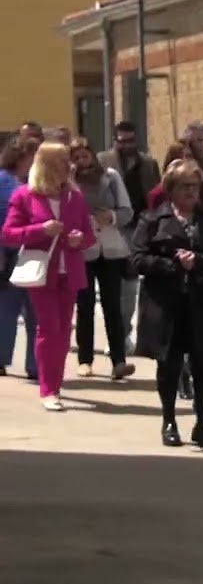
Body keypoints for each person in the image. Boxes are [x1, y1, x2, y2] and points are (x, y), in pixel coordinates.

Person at [131, 159, 203, 449]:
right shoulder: (153, 220)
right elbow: (137, 258)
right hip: (166, 304)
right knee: (169, 365)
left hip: (202, 303)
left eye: (195, 186)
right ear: (171, 189)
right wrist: (171, 264)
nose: (191, 192)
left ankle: (202, 422)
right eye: (185, 186)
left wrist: (200, 260)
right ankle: (169, 421)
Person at [2, 142, 96, 411]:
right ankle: (48, 389)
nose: (70, 165)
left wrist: (80, 239)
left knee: (64, 332)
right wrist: (41, 230)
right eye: (64, 160)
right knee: (49, 328)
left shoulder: (74, 197)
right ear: (49, 165)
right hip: (42, 273)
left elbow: (89, 235)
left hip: (70, 272)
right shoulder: (25, 195)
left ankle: (55, 383)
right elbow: (8, 235)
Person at [69, 139, 136, 381]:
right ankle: (85, 360)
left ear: (92, 155)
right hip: (83, 251)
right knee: (85, 306)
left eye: (85, 156)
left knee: (113, 306)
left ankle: (119, 361)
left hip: (110, 250)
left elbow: (127, 211)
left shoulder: (111, 177)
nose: (82, 162)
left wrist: (112, 216)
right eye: (76, 158)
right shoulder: (69, 182)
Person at [98, 121, 160, 356]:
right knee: (113, 285)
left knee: (131, 285)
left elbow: (155, 197)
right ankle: (116, 335)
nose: (126, 145)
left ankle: (124, 333)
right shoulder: (103, 161)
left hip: (138, 229)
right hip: (112, 227)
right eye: (122, 141)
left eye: (130, 141)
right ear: (115, 140)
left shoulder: (149, 164)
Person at [0, 136, 39, 380]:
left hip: (33, 251)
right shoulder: (2, 181)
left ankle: (35, 365)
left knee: (35, 311)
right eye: (32, 155)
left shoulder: (36, 182)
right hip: (8, 253)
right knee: (6, 309)